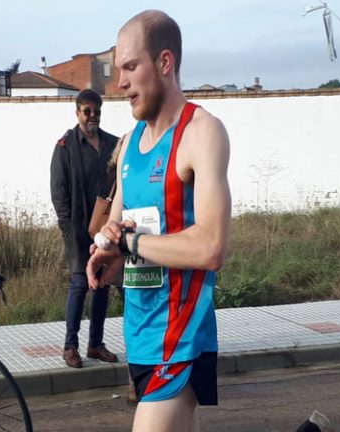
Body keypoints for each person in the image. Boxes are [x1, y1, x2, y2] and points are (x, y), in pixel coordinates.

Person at [86, 10, 231, 432]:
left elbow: (211, 246)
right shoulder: (129, 145)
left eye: (131, 67)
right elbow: (119, 244)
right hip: (141, 337)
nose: (120, 84)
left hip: (180, 340)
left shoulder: (201, 132)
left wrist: (130, 243)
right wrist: (106, 252)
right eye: (117, 71)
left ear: (165, 63)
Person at [50, 89, 120, 368]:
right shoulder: (65, 146)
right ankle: (70, 346)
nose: (93, 116)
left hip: (105, 228)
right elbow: (59, 192)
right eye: (87, 111)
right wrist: (68, 228)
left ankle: (95, 344)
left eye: (97, 111)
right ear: (77, 112)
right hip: (78, 230)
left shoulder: (113, 144)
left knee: (102, 285)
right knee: (80, 284)